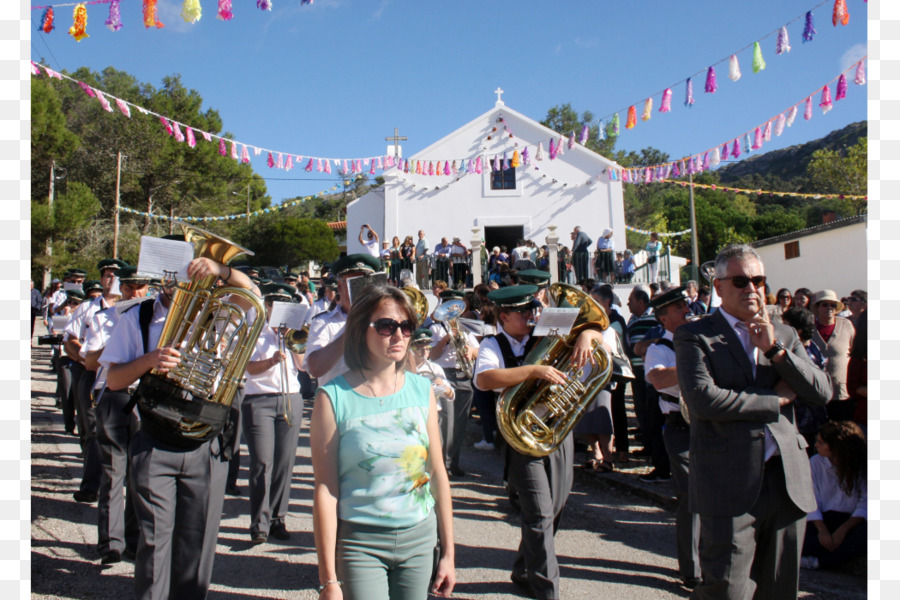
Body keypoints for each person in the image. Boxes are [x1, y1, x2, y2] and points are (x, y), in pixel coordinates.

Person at [673, 243, 831, 600]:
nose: (752, 289)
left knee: (779, 589)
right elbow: (702, 399)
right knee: (725, 589)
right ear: (719, 287)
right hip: (728, 483)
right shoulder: (694, 334)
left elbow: (822, 391)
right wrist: (773, 401)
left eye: (758, 280)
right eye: (741, 281)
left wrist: (776, 351)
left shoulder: (785, 334)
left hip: (786, 480)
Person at [100, 252, 261, 600]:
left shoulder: (218, 311)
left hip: (205, 441)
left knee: (198, 546)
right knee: (154, 544)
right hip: (155, 438)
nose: (181, 279)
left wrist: (222, 269)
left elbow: (254, 296)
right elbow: (113, 380)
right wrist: (150, 360)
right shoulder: (137, 316)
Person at [310, 286, 455, 600]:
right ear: (362, 330)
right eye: (387, 326)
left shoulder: (422, 390)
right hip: (359, 543)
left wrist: (448, 554)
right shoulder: (332, 397)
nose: (399, 335)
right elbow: (325, 488)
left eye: (406, 327)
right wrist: (328, 580)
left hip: (420, 541)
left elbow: (437, 473)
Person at [474, 285, 605, 600]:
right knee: (539, 513)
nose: (531, 316)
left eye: (533, 309)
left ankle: (523, 568)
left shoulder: (545, 328)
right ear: (504, 316)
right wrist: (533, 370)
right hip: (521, 437)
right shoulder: (491, 343)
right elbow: (485, 379)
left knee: (556, 508)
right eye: (523, 312)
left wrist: (587, 336)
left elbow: (597, 326)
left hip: (558, 431)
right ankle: (548, 590)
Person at [83, 265, 150, 564]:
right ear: (120, 288)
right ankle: (110, 543)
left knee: (140, 474)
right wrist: (116, 343)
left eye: (141, 288)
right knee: (113, 471)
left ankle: (133, 540)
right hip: (114, 394)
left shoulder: (156, 316)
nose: (134, 293)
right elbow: (89, 361)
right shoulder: (104, 318)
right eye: (129, 287)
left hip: (146, 395)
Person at [644, 286, 701, 589]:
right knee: (691, 496)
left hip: (710, 424)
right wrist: (694, 366)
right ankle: (691, 570)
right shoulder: (659, 349)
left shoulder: (701, 341)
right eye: (679, 308)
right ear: (664, 318)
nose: (686, 310)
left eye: (685, 305)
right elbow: (659, 378)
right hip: (680, 425)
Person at [241, 283, 306, 544]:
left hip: (290, 397)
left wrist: (292, 344)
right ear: (267, 306)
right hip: (259, 399)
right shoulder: (253, 332)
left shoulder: (293, 334)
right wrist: (270, 361)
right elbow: (247, 368)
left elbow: (303, 367)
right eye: (274, 305)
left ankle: (278, 518)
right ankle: (259, 522)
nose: (277, 310)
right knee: (262, 463)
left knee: (284, 462)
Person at [63, 258, 128, 504]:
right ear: (101, 279)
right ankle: (91, 485)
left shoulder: (133, 308)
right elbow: (70, 339)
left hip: (121, 375)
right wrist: (85, 357)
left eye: (116, 275)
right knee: (91, 429)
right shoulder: (87, 308)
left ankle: (116, 483)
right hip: (90, 373)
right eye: (108, 275)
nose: (112, 279)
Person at [305, 254, 384, 387]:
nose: (361, 289)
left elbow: (409, 368)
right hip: (338, 403)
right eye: (354, 283)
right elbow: (315, 369)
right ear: (340, 287)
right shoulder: (323, 322)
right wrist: (352, 328)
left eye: (365, 282)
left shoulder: (383, 319)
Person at [801, 421, 867, 571]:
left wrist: (843, 530)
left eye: (821, 442)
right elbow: (811, 498)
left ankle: (820, 562)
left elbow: (865, 501)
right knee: (801, 539)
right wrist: (822, 530)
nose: (816, 445)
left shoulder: (860, 467)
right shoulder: (815, 463)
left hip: (850, 521)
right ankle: (827, 558)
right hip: (822, 520)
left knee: (865, 537)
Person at [429, 290, 479, 477]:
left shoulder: (464, 327)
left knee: (459, 424)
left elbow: (478, 350)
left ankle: (453, 462)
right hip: (445, 375)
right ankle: (442, 464)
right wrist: (446, 338)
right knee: (446, 423)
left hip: (464, 375)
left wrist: (470, 351)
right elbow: (432, 355)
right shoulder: (435, 328)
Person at [780, 306, 829, 453]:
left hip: (805, 419)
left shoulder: (804, 355)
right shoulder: (814, 347)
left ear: (797, 331)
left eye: (785, 325)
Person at [810, 289, 856, 421]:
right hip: (816, 392)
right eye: (825, 304)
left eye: (833, 305)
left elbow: (855, 353)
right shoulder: (810, 327)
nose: (829, 308)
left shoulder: (846, 325)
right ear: (817, 308)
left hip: (841, 393)